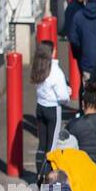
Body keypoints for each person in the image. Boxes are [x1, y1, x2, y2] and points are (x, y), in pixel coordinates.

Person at [30, 40, 71, 181]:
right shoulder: (55, 71)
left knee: (41, 143)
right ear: (52, 52)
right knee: (51, 147)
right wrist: (69, 92)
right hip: (53, 109)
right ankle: (47, 177)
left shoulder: (38, 68)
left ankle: (39, 174)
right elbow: (64, 96)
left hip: (40, 107)